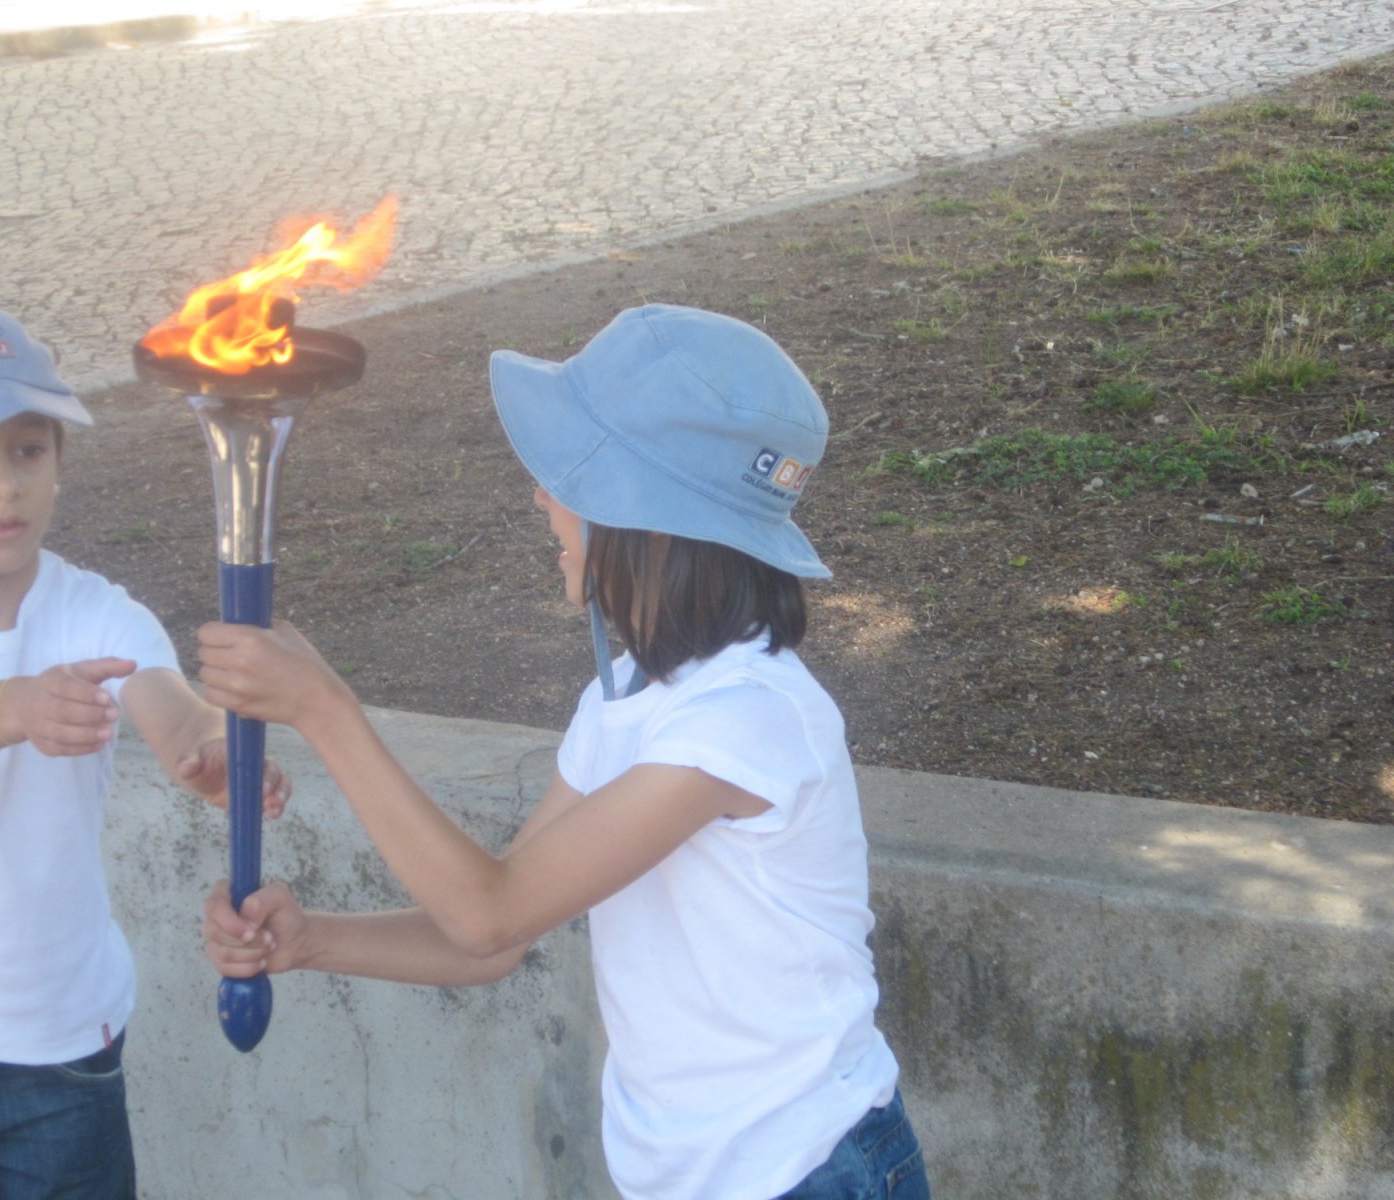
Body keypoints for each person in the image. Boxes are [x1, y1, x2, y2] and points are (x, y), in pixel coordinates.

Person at [198, 304, 930, 1200]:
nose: (542, 498)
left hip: (809, 1170)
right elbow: (493, 940)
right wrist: (311, 940)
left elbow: (490, 915)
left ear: (645, 517)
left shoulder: (747, 720)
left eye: (569, 478)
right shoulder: (627, 695)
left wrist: (324, 710)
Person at [0, 306, 288, 1200]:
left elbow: (168, 703)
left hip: (64, 1046)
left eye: (27, 450)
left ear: (58, 462)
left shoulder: (95, 610)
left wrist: (211, 752)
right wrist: (15, 705)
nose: (3, 484)